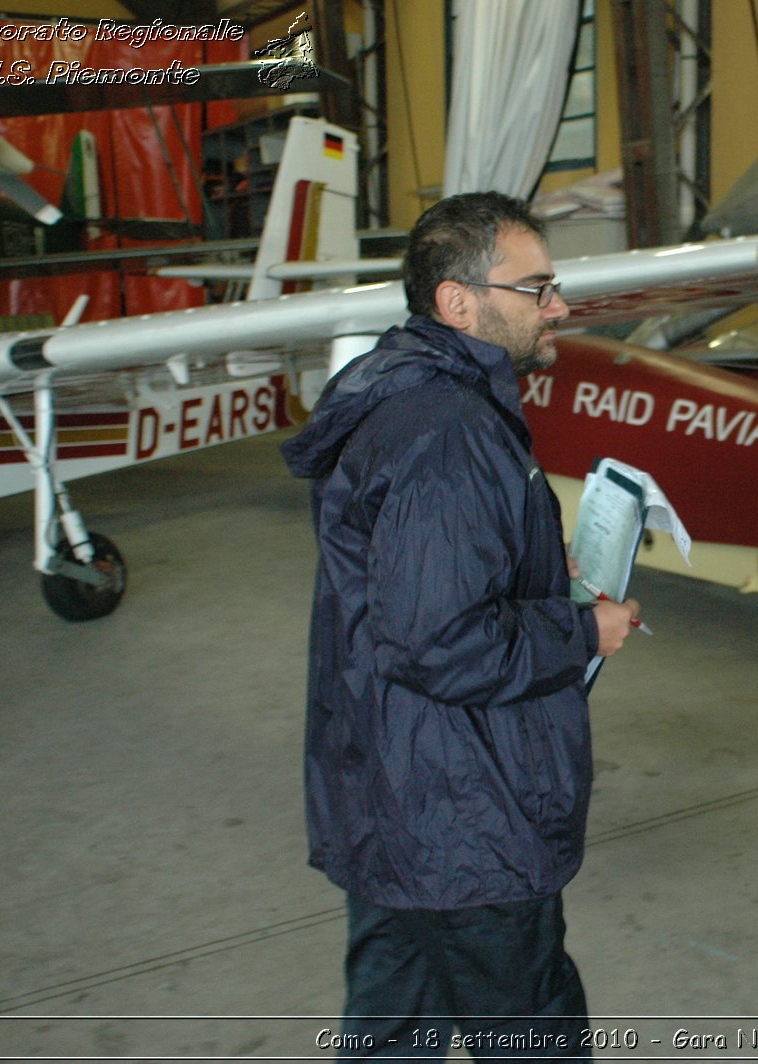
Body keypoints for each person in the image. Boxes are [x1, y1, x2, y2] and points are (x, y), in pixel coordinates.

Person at [281, 191, 640, 1060]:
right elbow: (441, 640)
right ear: (458, 301)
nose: (558, 306)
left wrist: (535, 578)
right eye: (538, 287)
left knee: (392, 1030)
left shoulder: (406, 398)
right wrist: (582, 632)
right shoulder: (448, 431)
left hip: (397, 795)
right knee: (530, 1032)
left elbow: (412, 602)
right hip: (463, 814)